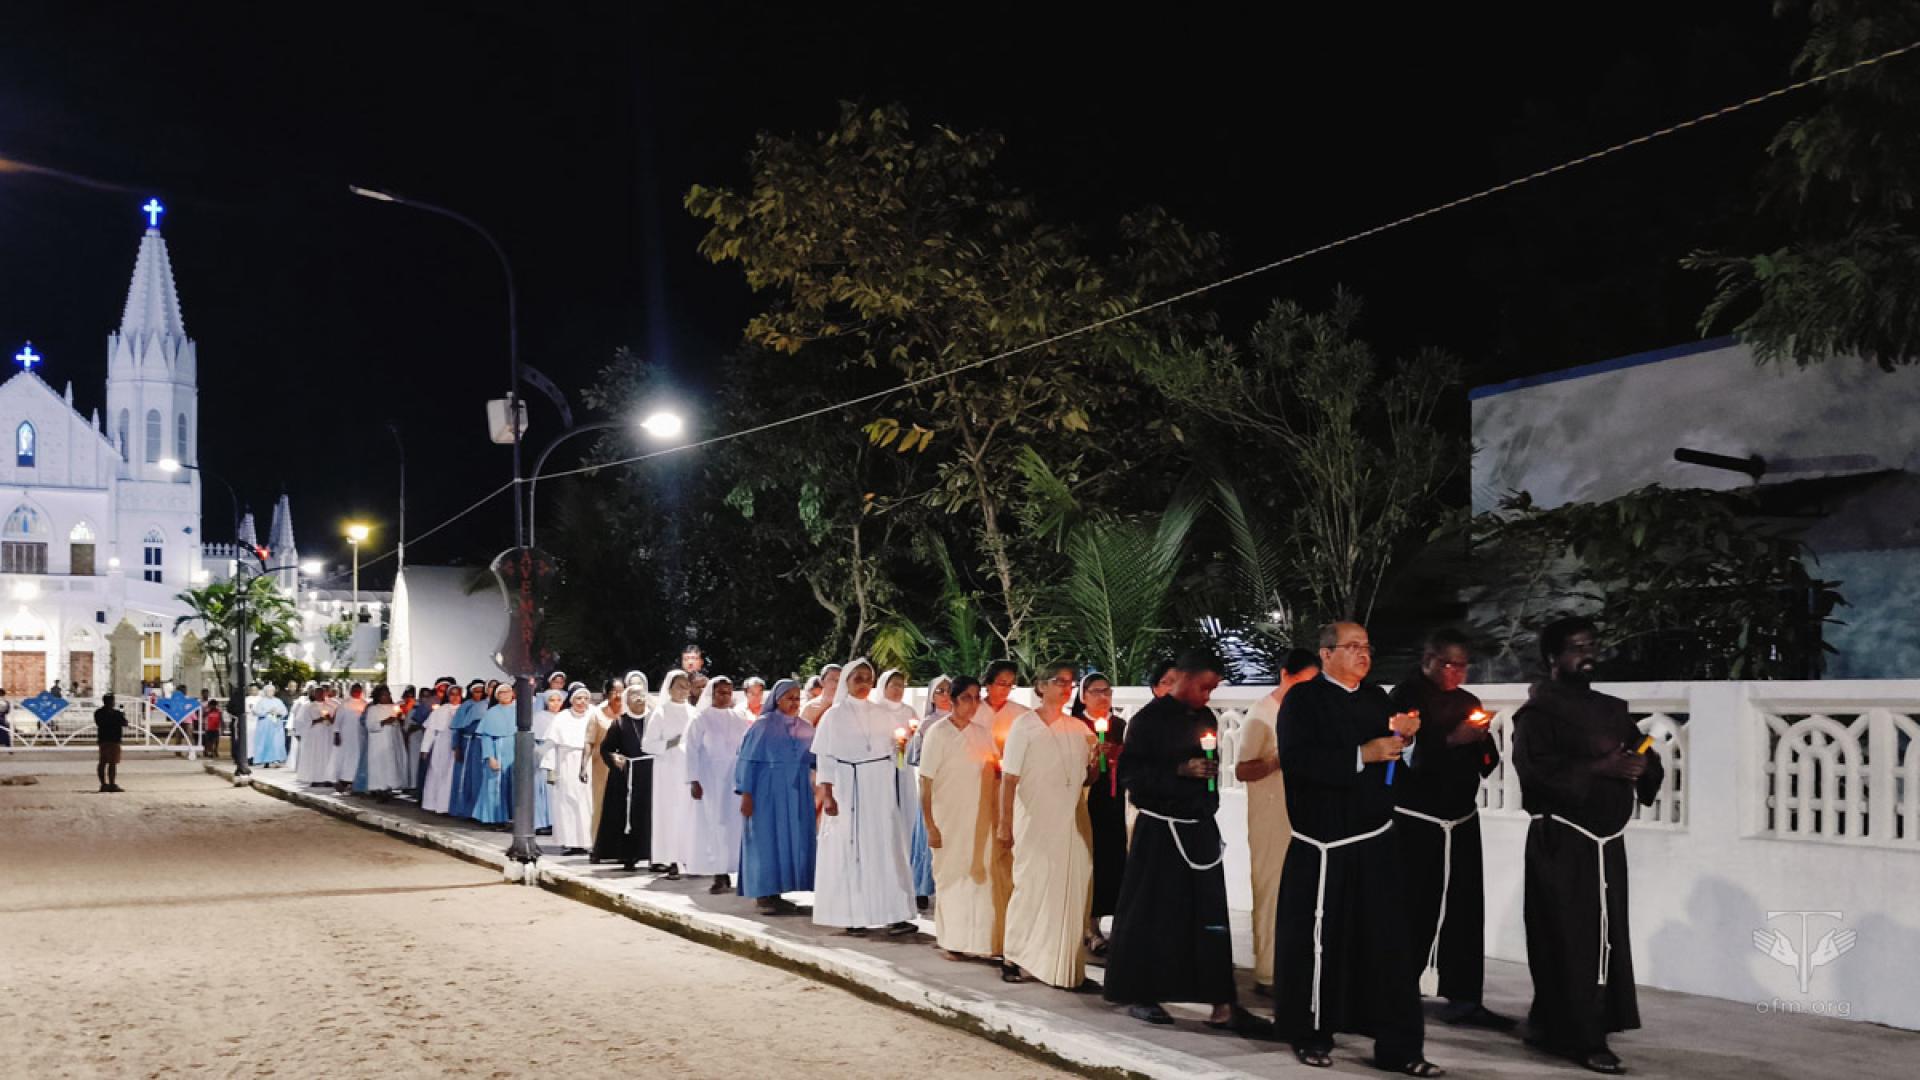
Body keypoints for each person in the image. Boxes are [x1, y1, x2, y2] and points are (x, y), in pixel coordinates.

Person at [1275, 622, 1437, 1075]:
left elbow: (1392, 764)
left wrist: (1404, 742)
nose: (1363, 654)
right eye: (1352, 646)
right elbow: (1297, 761)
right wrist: (1362, 754)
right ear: (1326, 654)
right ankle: (1311, 1033)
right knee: (1319, 944)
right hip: (1324, 845)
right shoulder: (1303, 700)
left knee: (1388, 946)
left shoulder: (1376, 699)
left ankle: (1399, 1047)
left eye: (1367, 646)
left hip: (1375, 841)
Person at [1513, 617, 1664, 1076]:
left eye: (1591, 645)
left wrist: (1642, 766)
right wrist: (1600, 768)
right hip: (1562, 841)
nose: (1588, 654)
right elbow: (1535, 772)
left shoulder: (1612, 709)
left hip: (1605, 845)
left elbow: (1642, 751)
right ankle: (1582, 1037)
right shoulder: (1537, 715)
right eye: (1577, 647)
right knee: (1567, 938)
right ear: (1553, 658)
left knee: (1604, 937)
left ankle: (1559, 1022)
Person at [1103, 649, 1269, 1036]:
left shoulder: (1206, 718)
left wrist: (1207, 783)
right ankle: (1142, 992)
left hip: (1199, 827)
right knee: (1153, 913)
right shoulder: (1148, 720)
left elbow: (1210, 769)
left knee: (1210, 915)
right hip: (1160, 831)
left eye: (1213, 689)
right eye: (1204, 687)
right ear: (1182, 678)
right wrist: (1180, 769)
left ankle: (1222, 1002)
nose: (1208, 696)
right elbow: (1131, 775)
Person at [1391, 629, 1509, 1028]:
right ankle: (1399, 992)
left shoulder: (1467, 701)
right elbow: (1403, 758)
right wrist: (1451, 739)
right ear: (1428, 659)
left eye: (1463, 666)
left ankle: (1464, 997)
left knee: (1464, 908)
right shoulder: (1405, 698)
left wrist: (1480, 739)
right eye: (1448, 664)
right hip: (1417, 821)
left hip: (1460, 819)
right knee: (1414, 906)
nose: (1457, 673)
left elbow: (1488, 762)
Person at [997, 662, 1101, 990]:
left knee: (1068, 889)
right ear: (1041, 686)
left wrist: (1097, 761)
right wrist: (1004, 824)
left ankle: (1061, 965)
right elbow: (1009, 779)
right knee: (1031, 885)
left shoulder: (1079, 729)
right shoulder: (1024, 726)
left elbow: (1088, 779)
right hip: (1034, 817)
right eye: (1059, 681)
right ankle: (1015, 955)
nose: (1067, 688)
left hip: (1069, 820)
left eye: (1070, 683)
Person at [812, 658, 917, 936]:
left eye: (868, 678)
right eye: (858, 678)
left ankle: (894, 914)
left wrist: (902, 747)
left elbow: (897, 758)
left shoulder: (882, 713)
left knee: (886, 846)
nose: (864, 684)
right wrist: (828, 795)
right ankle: (853, 915)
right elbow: (825, 759)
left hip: (879, 788)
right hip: (848, 787)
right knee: (852, 850)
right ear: (846, 681)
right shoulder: (833, 716)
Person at [1237, 648, 1321, 997]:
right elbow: (1243, 769)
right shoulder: (1262, 714)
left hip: (1303, 812)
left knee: (1300, 894)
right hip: (1271, 815)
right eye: (1305, 681)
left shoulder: (1306, 712)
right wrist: (1277, 761)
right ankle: (1268, 972)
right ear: (1286, 675)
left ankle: (1296, 966)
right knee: (1271, 889)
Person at [919, 675, 1002, 960]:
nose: (973, 703)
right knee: (951, 878)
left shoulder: (983, 733)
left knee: (980, 878)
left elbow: (995, 771)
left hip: (980, 817)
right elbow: (926, 781)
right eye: (967, 697)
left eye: (977, 698)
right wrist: (930, 824)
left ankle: (980, 941)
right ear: (953, 700)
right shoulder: (938, 733)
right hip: (948, 816)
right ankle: (952, 940)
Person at [733, 678, 816, 913]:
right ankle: (764, 893)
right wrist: (746, 793)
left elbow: (816, 757)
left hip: (796, 791)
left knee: (790, 838)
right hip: (766, 792)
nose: (794, 702)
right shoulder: (763, 726)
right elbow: (747, 760)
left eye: (797, 698)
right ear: (777, 700)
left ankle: (780, 889)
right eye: (789, 698)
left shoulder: (805, 727)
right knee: (766, 838)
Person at [1068, 671, 1127, 956]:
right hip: (1084, 801)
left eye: (1107, 691)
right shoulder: (1074, 726)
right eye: (1096, 691)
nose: (1103, 697)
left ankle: (1101, 922)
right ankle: (1087, 927)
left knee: (1110, 862)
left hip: (1113, 801)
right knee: (1087, 861)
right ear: (1083, 696)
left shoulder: (1120, 725)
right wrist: (1093, 756)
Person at [685, 675, 751, 893]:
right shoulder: (701, 719)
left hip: (733, 777)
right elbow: (692, 750)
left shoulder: (738, 717)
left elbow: (745, 747)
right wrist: (693, 779)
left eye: (728, 692)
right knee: (714, 823)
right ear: (711, 694)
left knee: (734, 824)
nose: (725, 696)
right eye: (721, 692)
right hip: (710, 778)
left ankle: (737, 869)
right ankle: (718, 873)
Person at [979, 660, 1025, 945]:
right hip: (978, 782)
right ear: (988, 683)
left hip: (1007, 785)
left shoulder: (1019, 714)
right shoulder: (975, 709)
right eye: (1001, 683)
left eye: (1010, 684)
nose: (1005, 689)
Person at [876, 670, 931, 909]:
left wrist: (907, 742)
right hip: (881, 769)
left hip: (903, 770)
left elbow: (915, 742)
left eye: (901, 685)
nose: (898, 690)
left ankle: (909, 876)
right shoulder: (875, 711)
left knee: (906, 818)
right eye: (894, 685)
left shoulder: (909, 712)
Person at [593, 683, 654, 870]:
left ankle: (654, 855)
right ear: (627, 700)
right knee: (628, 816)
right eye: (634, 695)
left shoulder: (654, 720)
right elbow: (606, 748)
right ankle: (629, 855)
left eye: (642, 694)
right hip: (629, 775)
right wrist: (613, 757)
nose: (639, 698)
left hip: (651, 774)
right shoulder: (620, 723)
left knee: (651, 814)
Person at [643, 669, 695, 878]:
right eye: (679, 686)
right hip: (668, 770)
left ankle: (689, 856)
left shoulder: (694, 713)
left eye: (686, 686)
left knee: (689, 813)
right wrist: (671, 742)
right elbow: (647, 744)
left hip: (689, 769)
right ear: (670, 688)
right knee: (670, 814)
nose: (683, 691)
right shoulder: (661, 712)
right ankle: (671, 858)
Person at [907, 675, 951, 910]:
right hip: (933, 784)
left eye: (948, 690)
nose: (945, 695)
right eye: (939, 691)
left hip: (955, 785)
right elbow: (915, 757)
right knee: (928, 834)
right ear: (932, 696)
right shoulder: (927, 724)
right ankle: (922, 886)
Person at [542, 687, 597, 854]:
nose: (582, 702)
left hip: (589, 762)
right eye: (578, 698)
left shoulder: (594, 715)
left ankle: (588, 841)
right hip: (566, 762)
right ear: (572, 700)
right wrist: (551, 768)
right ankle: (571, 842)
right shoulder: (562, 718)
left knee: (587, 802)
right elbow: (551, 745)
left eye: (585, 698)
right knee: (567, 803)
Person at [470, 684, 519, 828]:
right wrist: (490, 757)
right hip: (497, 752)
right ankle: (493, 818)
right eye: (501, 692)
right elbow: (485, 737)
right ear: (497, 696)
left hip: (514, 753)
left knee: (513, 786)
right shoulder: (491, 712)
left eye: (508, 691)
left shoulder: (518, 711)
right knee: (495, 786)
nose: (505, 694)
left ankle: (511, 818)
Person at [584, 678, 624, 843]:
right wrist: (583, 766)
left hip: (623, 765)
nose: (618, 695)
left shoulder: (629, 713)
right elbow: (589, 741)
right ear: (606, 694)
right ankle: (597, 843)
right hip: (601, 766)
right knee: (601, 803)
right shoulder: (597, 714)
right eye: (614, 692)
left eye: (621, 691)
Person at [447, 681, 490, 818]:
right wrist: (457, 746)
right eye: (476, 691)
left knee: (479, 778)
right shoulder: (466, 706)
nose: (479, 694)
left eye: (481, 691)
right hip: (467, 744)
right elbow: (458, 728)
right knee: (464, 778)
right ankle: (462, 809)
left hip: (481, 744)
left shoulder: (488, 705)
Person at [419, 687, 460, 814]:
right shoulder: (440, 710)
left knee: (452, 775)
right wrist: (425, 748)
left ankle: (449, 806)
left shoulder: (464, 709)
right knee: (437, 772)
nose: (455, 697)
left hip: (458, 745)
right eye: (452, 694)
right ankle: (434, 804)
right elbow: (430, 731)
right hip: (441, 744)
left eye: (457, 694)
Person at [331, 683, 368, 795]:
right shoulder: (344, 704)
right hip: (346, 736)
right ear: (351, 691)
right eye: (354, 690)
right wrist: (336, 733)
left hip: (360, 736)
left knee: (358, 757)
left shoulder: (365, 704)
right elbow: (338, 720)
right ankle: (344, 780)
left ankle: (356, 781)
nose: (356, 692)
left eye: (358, 690)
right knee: (347, 758)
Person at [94, 693, 128, 792]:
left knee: (103, 762)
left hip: (103, 739)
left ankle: (103, 784)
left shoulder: (98, 713)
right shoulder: (117, 713)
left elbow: (99, 723)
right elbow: (125, 723)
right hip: (114, 739)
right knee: (112, 763)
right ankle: (112, 784)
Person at [251, 684, 289, 767]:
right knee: (265, 742)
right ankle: (265, 761)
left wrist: (278, 713)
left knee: (276, 742)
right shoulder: (261, 701)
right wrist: (268, 711)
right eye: (268, 691)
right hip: (265, 725)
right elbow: (257, 712)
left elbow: (285, 711)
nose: (270, 692)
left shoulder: (278, 701)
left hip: (276, 725)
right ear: (265, 692)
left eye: (272, 691)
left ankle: (276, 759)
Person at [202, 695, 225, 761]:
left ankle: (215, 750)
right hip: (208, 729)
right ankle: (210, 752)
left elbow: (221, 720)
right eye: (211, 705)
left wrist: (222, 728)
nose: (212, 707)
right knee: (209, 741)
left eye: (214, 705)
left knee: (216, 741)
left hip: (216, 729)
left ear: (216, 705)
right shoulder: (207, 712)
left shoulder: (218, 712)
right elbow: (203, 717)